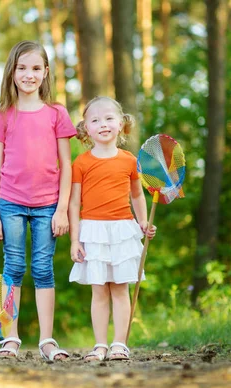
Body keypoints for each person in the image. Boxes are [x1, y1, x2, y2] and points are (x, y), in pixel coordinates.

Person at [0, 41, 76, 361]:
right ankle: (10, 339)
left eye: (36, 68)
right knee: (13, 267)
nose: (29, 74)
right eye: (22, 68)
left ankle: (47, 340)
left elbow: (67, 165)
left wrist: (63, 208)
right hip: (10, 202)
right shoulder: (3, 116)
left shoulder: (57, 113)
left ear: (46, 72)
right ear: (12, 72)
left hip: (48, 204)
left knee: (43, 269)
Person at [68, 96, 157, 361]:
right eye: (95, 120)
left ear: (121, 124)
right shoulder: (81, 163)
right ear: (86, 128)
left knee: (120, 289)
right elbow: (74, 204)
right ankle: (100, 345)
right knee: (99, 290)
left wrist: (143, 222)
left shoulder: (130, 161)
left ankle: (120, 343)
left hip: (121, 230)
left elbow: (138, 196)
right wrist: (75, 240)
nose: (103, 124)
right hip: (93, 231)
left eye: (109, 119)